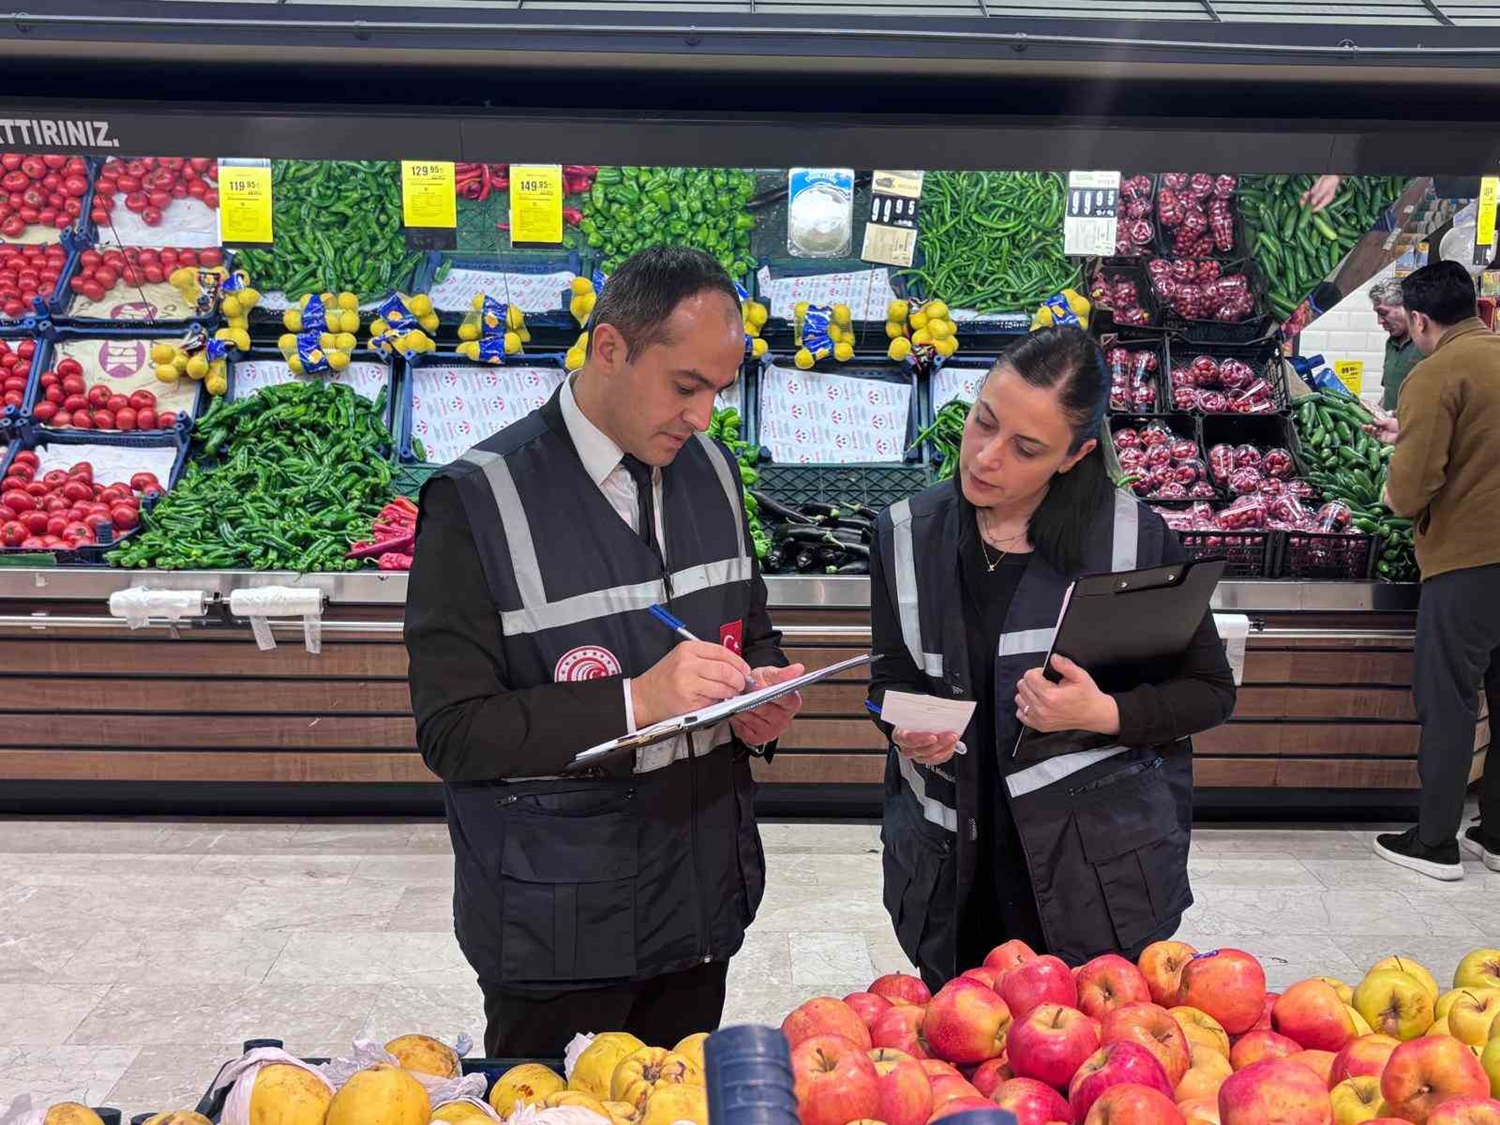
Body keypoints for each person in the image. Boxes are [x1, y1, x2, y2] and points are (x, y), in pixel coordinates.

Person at [404, 246, 805, 1055]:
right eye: (686, 387)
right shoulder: (477, 500)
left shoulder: (717, 473)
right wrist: (638, 700)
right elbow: (453, 731)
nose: (702, 417)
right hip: (559, 930)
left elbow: (748, 627)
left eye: (719, 394)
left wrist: (760, 693)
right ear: (610, 347)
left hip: (699, 904)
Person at [866, 327, 1236, 987]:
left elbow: (1209, 689)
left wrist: (1104, 712)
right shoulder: (904, 535)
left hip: (1091, 882)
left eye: (1025, 448)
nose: (985, 457)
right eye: (983, 421)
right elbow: (891, 678)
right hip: (952, 875)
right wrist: (905, 724)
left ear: (1076, 454)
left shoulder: (1132, 539)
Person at [1368, 260, 1500, 880]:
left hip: (1469, 559)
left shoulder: (1433, 372)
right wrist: (1412, 432)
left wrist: (1397, 483)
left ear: (1420, 319)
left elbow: (1411, 491)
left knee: (1447, 698)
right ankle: (1495, 833)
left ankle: (1435, 841)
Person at [1369, 277, 1421, 412]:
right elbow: (1389, 393)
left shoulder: (1425, 345)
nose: (1380, 321)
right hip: (1392, 430)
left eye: (1384, 313)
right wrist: (1375, 414)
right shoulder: (1391, 344)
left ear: (1406, 307)